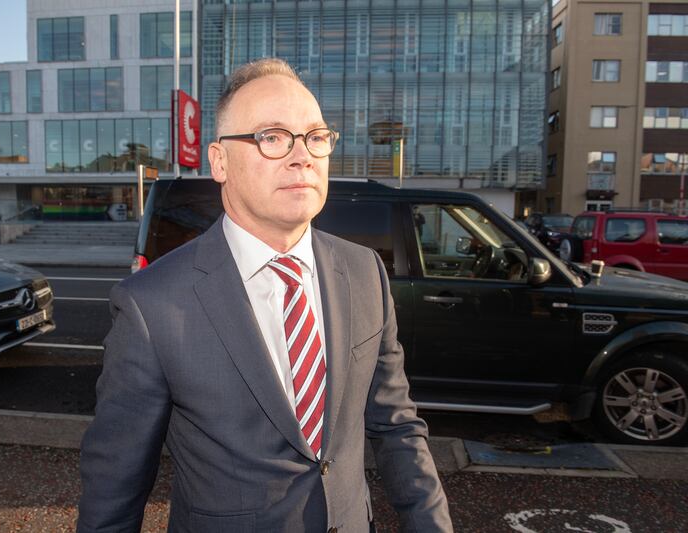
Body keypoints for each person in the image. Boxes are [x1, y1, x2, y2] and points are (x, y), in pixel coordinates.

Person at [78, 58, 452, 532]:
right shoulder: (152, 304)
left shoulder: (364, 272)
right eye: (272, 138)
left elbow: (397, 426)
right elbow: (114, 488)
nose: (302, 156)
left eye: (315, 137)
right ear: (219, 162)